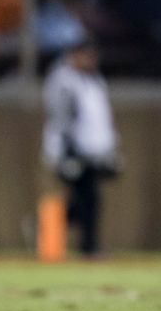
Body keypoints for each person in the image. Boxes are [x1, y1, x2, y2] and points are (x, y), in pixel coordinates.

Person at [42, 37, 120, 257]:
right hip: (73, 149)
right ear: (73, 56)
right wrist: (68, 152)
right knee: (88, 197)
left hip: (93, 150)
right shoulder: (64, 81)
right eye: (85, 55)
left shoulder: (95, 80)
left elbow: (101, 118)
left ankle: (55, 226)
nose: (90, 59)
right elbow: (61, 117)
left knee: (89, 198)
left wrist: (110, 148)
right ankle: (87, 245)